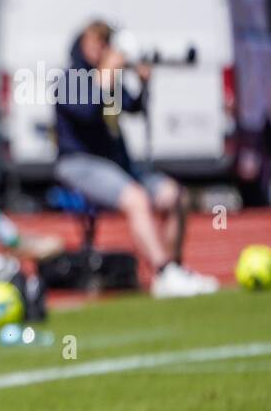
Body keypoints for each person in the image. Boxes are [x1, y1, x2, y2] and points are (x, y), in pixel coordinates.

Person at [54, 20, 215, 297]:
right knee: (136, 198)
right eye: (96, 43)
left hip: (117, 166)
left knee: (174, 195)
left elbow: (132, 107)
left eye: (106, 43)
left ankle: (173, 271)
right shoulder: (70, 79)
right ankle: (164, 271)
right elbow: (87, 112)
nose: (102, 49)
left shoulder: (110, 81)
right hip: (80, 163)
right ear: (82, 45)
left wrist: (142, 84)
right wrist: (105, 77)